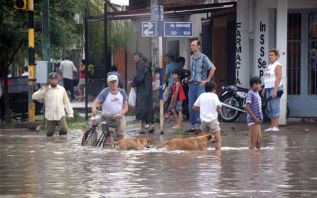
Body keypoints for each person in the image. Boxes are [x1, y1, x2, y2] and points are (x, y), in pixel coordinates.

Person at [32, 72, 74, 137]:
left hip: (60, 115)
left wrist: (70, 113)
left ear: (57, 80)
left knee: (64, 132)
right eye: (52, 79)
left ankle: (62, 146)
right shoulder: (45, 89)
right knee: (49, 134)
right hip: (50, 116)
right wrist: (42, 91)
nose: (53, 81)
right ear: (49, 80)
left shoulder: (62, 89)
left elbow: (66, 102)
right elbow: (34, 97)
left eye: (55, 79)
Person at [188, 38, 216, 132]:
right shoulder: (191, 57)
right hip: (192, 85)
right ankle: (193, 125)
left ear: (198, 46)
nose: (191, 47)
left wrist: (207, 80)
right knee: (191, 105)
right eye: (191, 45)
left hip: (200, 85)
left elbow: (213, 68)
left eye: (193, 45)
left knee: (201, 105)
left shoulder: (203, 57)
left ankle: (202, 125)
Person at [91, 75, 128, 139]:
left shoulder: (122, 92)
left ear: (118, 82)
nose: (114, 83)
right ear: (108, 83)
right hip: (106, 117)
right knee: (108, 138)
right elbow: (95, 103)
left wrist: (120, 113)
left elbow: (126, 107)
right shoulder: (104, 92)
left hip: (119, 117)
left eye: (115, 82)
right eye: (112, 82)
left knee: (121, 137)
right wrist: (94, 109)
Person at [193, 81, 221, 150]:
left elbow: (194, 107)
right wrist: (219, 111)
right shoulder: (214, 96)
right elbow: (218, 107)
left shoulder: (202, 95)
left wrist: (202, 109)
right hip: (213, 120)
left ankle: (204, 158)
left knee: (204, 141)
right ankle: (217, 158)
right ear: (214, 89)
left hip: (203, 121)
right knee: (218, 141)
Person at [130, 52, 154, 133]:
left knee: (141, 109)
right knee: (149, 107)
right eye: (134, 57)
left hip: (142, 90)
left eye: (136, 57)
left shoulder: (140, 66)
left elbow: (139, 78)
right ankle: (151, 126)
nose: (134, 59)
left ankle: (142, 128)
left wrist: (133, 83)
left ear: (140, 58)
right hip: (149, 89)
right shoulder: (148, 66)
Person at [262, 49, 283, 132]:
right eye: (269, 55)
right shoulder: (269, 65)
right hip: (268, 88)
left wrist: (275, 90)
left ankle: (276, 126)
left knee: (275, 106)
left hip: (275, 88)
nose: (270, 57)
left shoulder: (278, 65)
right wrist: (264, 89)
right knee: (269, 107)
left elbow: (278, 78)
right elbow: (267, 78)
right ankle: (271, 126)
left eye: (272, 55)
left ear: (276, 56)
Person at [245, 77, 263, 150]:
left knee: (259, 140)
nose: (259, 85)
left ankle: (257, 158)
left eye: (259, 83)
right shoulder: (250, 93)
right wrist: (255, 118)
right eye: (257, 84)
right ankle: (252, 158)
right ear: (252, 85)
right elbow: (247, 107)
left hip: (257, 120)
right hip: (253, 120)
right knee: (254, 141)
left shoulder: (257, 93)